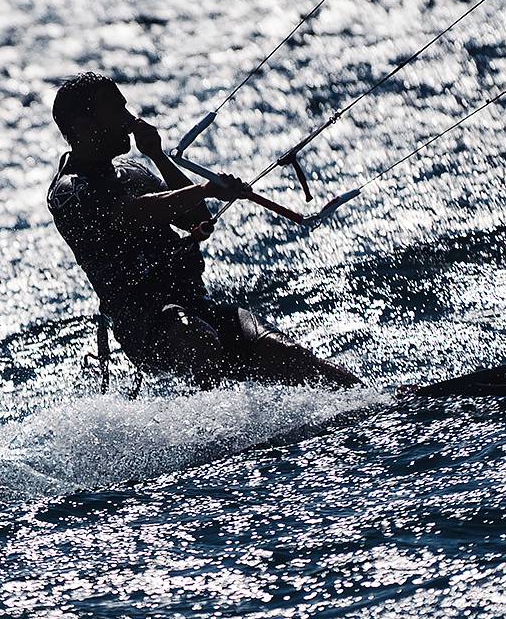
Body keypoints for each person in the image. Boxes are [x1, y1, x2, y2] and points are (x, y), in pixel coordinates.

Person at [46, 71, 360, 390]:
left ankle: (374, 402)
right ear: (84, 127)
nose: (130, 120)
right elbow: (132, 213)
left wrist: (157, 155)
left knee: (291, 356)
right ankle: (214, 432)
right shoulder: (69, 192)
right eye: (117, 112)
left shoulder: (130, 170)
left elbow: (193, 216)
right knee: (199, 339)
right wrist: (205, 188)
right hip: (148, 326)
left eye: (126, 109)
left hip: (198, 305)